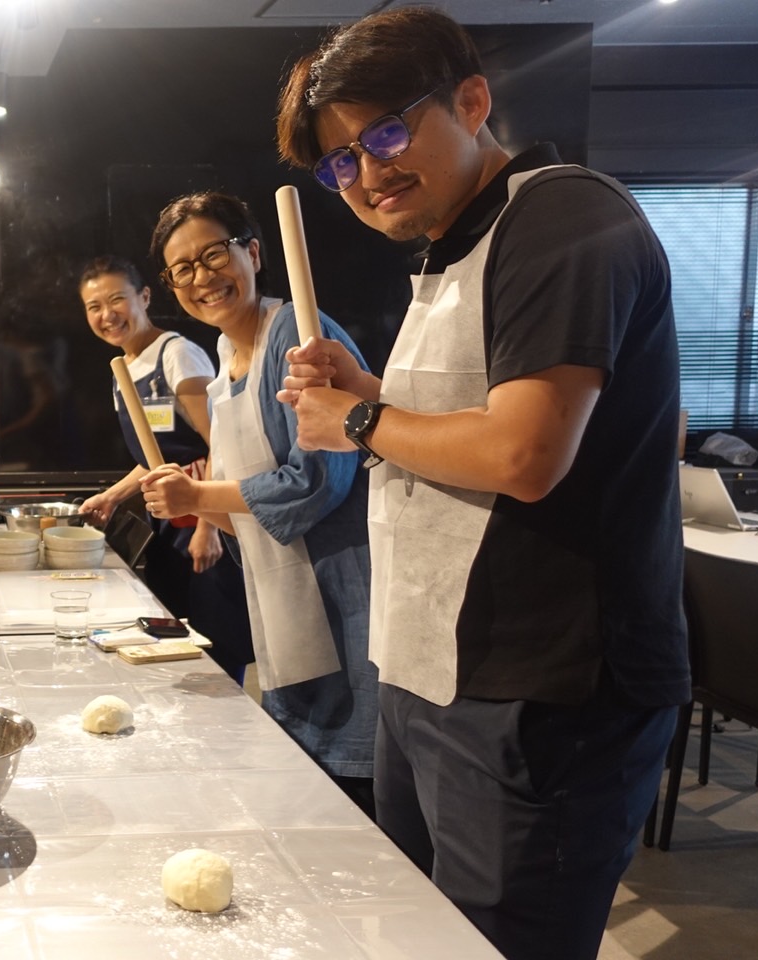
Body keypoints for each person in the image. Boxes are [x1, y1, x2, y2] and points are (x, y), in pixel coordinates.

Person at [273, 8, 688, 959]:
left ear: (471, 100)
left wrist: (362, 421)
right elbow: (466, 418)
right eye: (340, 161)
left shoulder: (562, 215)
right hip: (429, 666)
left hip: (543, 694)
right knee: (427, 937)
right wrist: (371, 392)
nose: (367, 174)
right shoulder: (451, 247)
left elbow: (524, 455)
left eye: (385, 132)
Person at [136, 196, 378, 811]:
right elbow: (244, 499)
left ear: (252, 251)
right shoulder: (223, 355)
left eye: (213, 253)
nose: (201, 278)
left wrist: (198, 496)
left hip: (345, 589)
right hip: (280, 596)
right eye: (181, 269)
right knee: (303, 786)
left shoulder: (296, 336)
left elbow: (319, 480)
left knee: (354, 796)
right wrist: (189, 504)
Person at [75, 255, 254, 682]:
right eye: (93, 307)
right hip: (169, 521)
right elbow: (154, 458)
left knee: (215, 643)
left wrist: (209, 528)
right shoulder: (123, 368)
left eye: (117, 299)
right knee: (170, 640)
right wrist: (113, 496)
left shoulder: (177, 355)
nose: (106, 315)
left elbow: (219, 442)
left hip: (205, 518)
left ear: (145, 297)